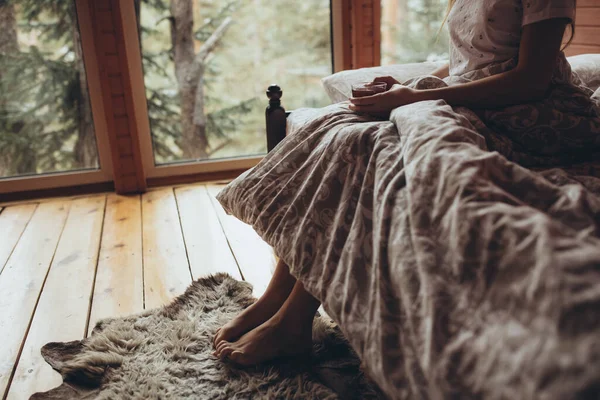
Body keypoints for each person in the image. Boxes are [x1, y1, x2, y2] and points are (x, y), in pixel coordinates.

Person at [213, 0, 597, 366]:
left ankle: (293, 323)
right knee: (336, 127)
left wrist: (416, 96)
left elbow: (531, 80)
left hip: (543, 116)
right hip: (493, 103)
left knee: (364, 144)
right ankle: (276, 296)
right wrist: (406, 85)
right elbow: (470, 63)